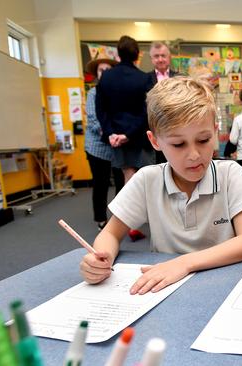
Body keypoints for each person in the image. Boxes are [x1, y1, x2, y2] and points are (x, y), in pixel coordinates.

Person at [80, 77, 242, 294]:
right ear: (155, 141)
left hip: (227, 285)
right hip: (166, 290)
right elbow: (110, 234)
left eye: (204, 140)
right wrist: (101, 258)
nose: (194, 155)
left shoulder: (230, 174)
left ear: (215, 131)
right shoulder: (147, 180)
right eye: (178, 144)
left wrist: (184, 263)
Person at [96, 35, 153, 241]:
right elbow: (147, 111)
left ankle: (127, 223)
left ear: (118, 54)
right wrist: (128, 134)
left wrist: (111, 132)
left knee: (128, 178)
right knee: (146, 177)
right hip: (137, 136)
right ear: (137, 55)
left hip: (115, 137)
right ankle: (136, 222)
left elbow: (100, 109)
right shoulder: (144, 78)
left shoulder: (106, 77)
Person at [84, 57, 125, 230]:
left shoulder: (120, 93)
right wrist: (110, 134)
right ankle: (100, 219)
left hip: (118, 145)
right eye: (101, 70)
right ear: (97, 74)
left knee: (121, 184)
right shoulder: (93, 93)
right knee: (100, 184)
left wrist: (121, 135)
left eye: (108, 70)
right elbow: (93, 121)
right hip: (97, 147)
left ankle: (120, 218)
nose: (105, 73)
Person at [148, 41, 177, 164]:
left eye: (163, 55)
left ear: (169, 57)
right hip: (155, 130)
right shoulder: (144, 79)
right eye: (156, 56)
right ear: (151, 59)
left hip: (177, 127)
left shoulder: (180, 77)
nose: (160, 59)